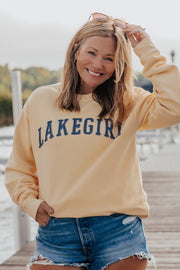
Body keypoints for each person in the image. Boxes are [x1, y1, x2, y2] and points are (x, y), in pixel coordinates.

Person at [5, 12, 180, 270]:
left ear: (118, 64)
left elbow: (175, 104)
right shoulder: (40, 100)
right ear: (76, 51)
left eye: (109, 58)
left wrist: (144, 45)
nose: (98, 64)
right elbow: (19, 167)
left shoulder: (129, 102)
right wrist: (30, 202)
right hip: (57, 230)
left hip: (118, 229)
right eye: (91, 53)